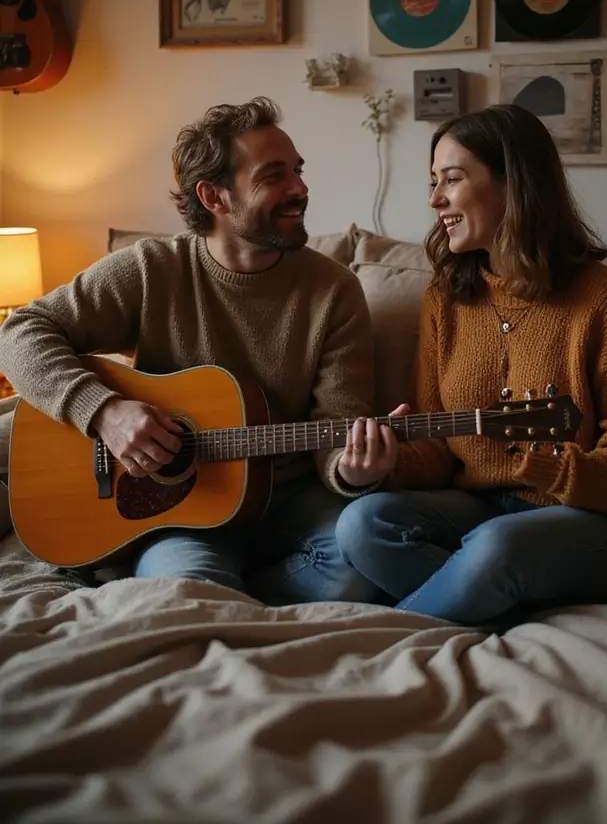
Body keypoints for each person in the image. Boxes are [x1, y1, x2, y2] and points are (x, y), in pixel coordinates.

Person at [0, 97, 402, 601]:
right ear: (214, 196)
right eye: (274, 176)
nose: (300, 189)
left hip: (289, 501)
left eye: (297, 172)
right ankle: (215, 591)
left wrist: (351, 469)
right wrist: (104, 412)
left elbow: (337, 423)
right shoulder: (151, 270)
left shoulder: (335, 291)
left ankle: (234, 596)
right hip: (177, 509)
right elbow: (20, 330)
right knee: (187, 591)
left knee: (354, 574)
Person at [336, 104, 607, 628]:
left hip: (606, 524)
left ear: (512, 184)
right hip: (486, 511)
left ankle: (378, 642)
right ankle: (496, 608)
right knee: (362, 523)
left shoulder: (602, 298)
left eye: (452, 179)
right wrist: (385, 466)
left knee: (498, 545)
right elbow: (437, 452)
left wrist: (555, 469)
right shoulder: (447, 298)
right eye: (433, 181)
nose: (435, 200)